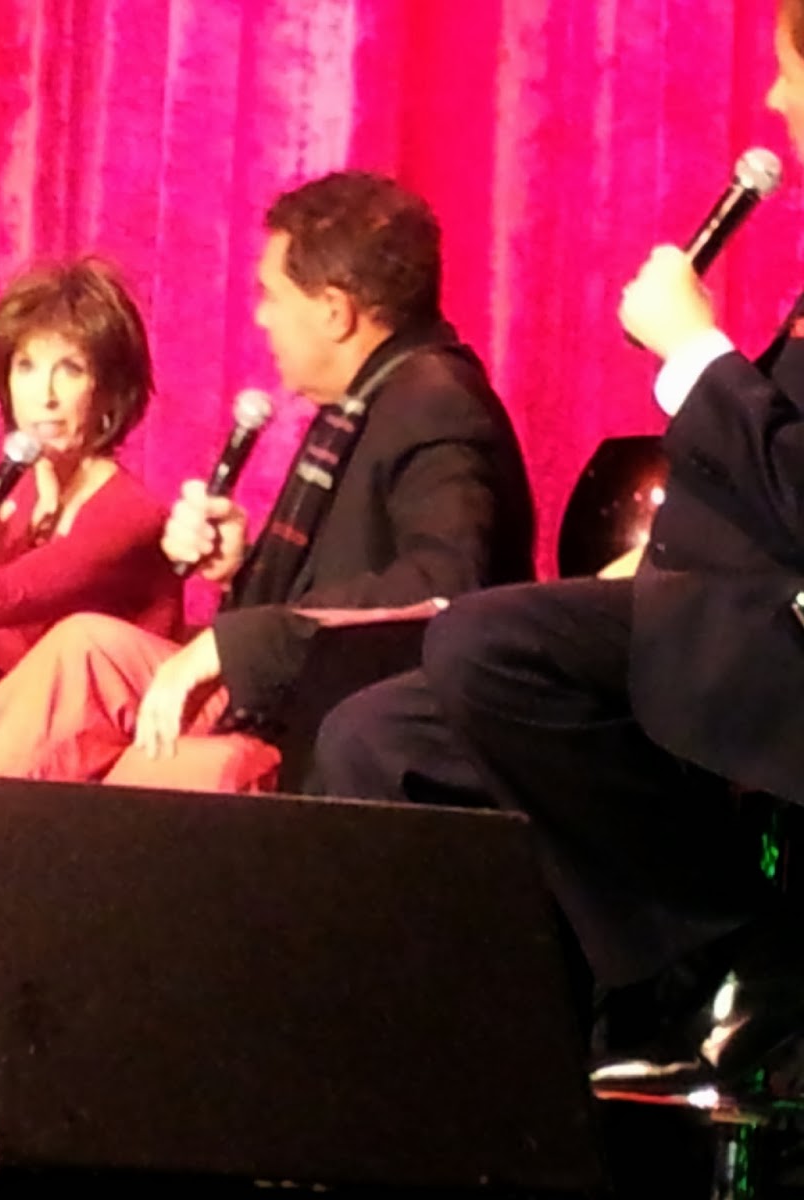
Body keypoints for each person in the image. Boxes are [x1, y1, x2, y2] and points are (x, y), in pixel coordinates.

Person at [0, 174, 538, 1198]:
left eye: (271, 294)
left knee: (77, 655)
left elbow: (442, 593)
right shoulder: (370, 405)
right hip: (268, 699)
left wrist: (229, 636)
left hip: (334, 729)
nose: (259, 315)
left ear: (335, 309)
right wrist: (237, 570)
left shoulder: (432, 407)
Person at [313, 0, 804, 1096]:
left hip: (776, 644)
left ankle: (719, 952)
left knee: (492, 648)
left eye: (787, 72)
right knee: (374, 736)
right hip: (721, 609)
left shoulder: (431, 402)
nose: (773, 99)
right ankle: (458, 1087)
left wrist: (695, 352)